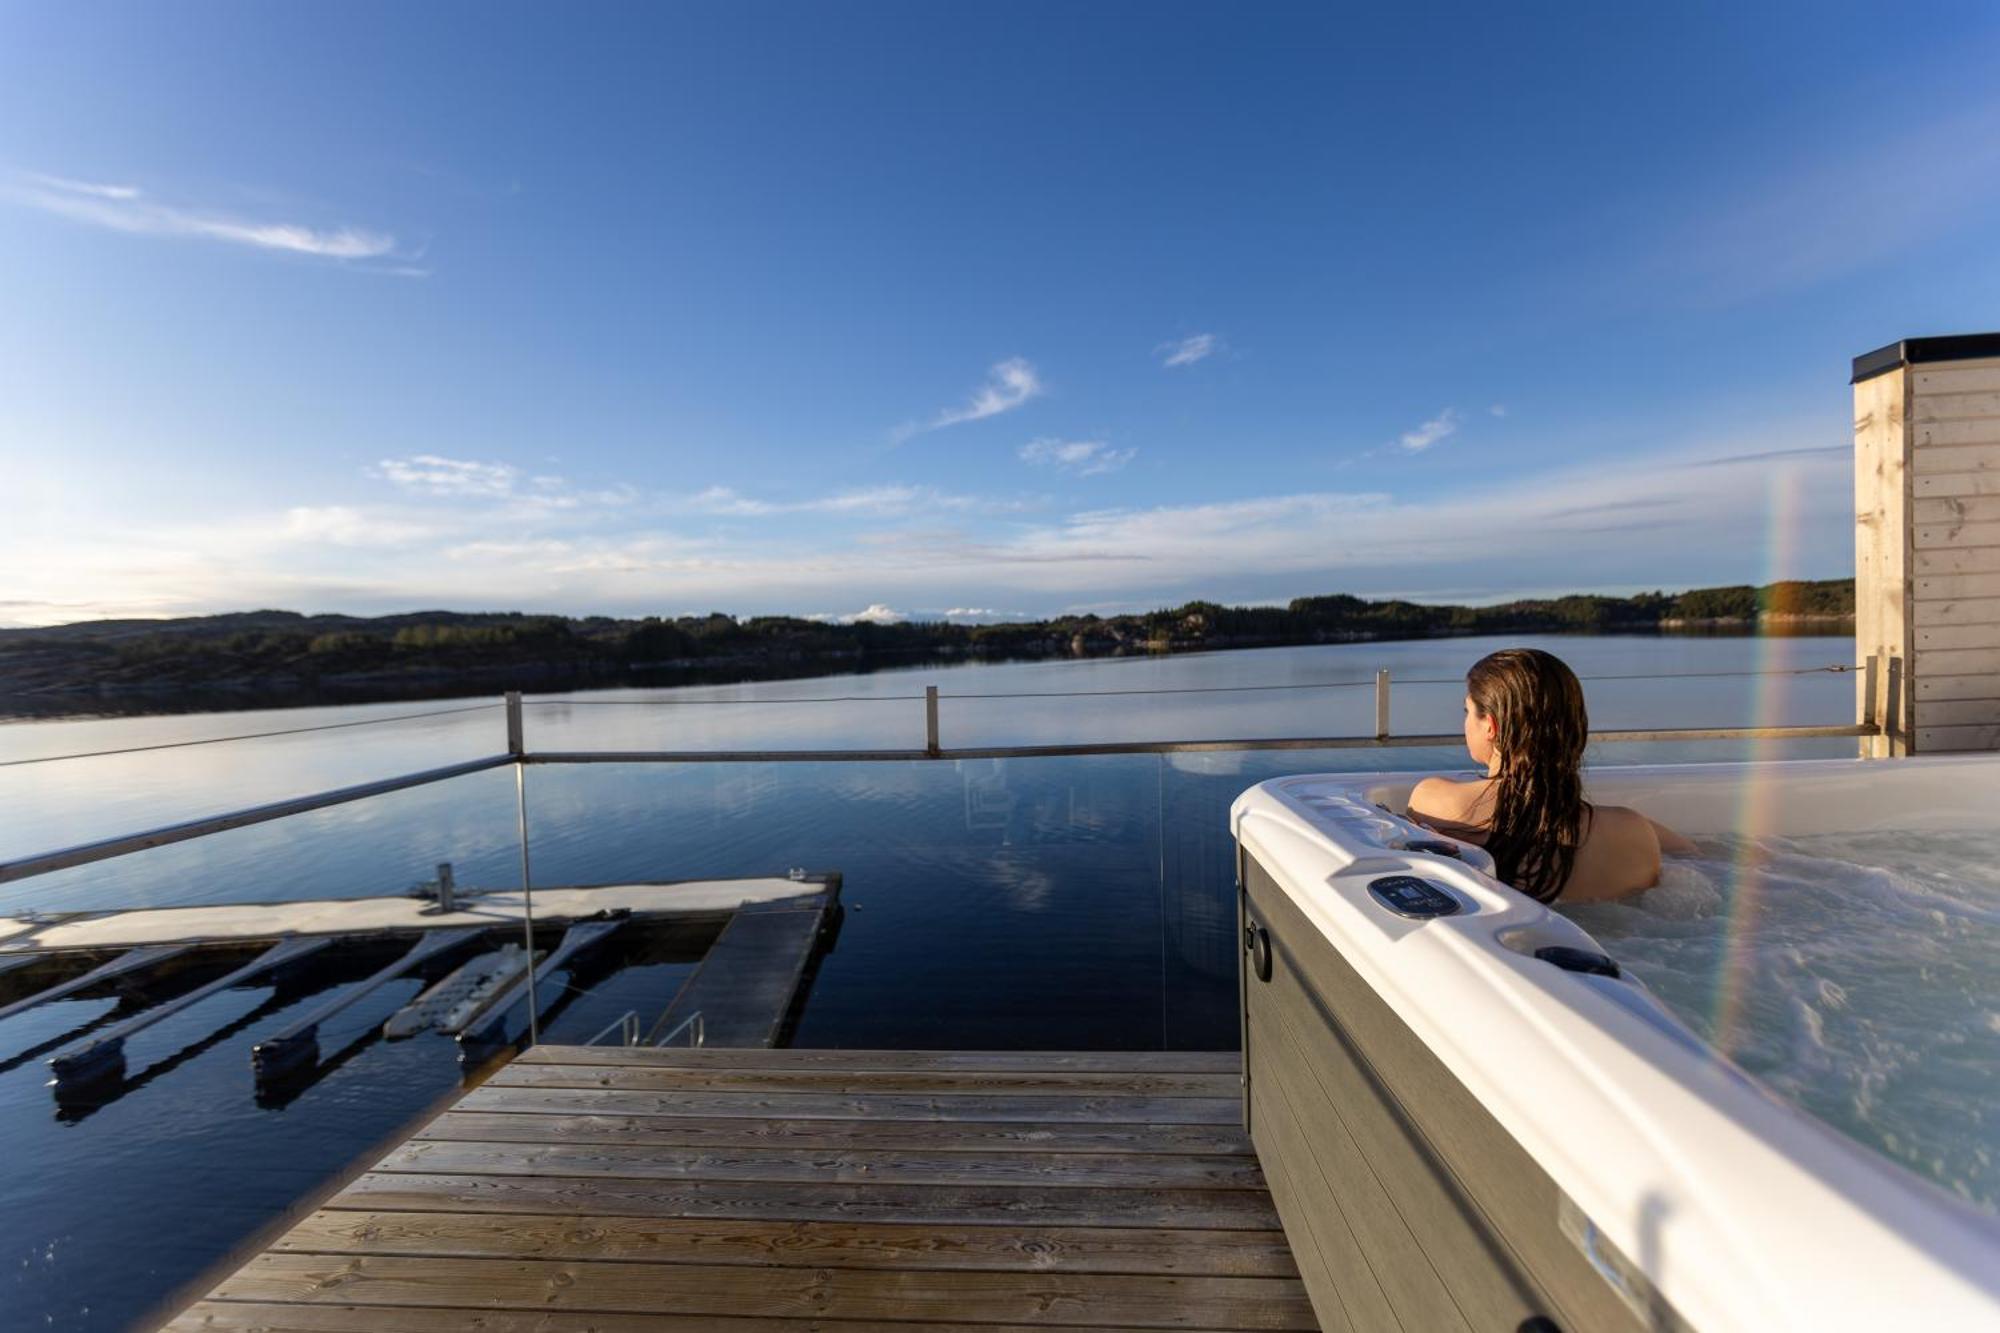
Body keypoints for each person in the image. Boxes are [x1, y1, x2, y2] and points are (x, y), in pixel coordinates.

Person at [1406, 647, 1693, 903]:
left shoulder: (1433, 800)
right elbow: (1692, 855)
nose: (1465, 722)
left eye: (1467, 710)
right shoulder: (1634, 834)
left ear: (1490, 725)